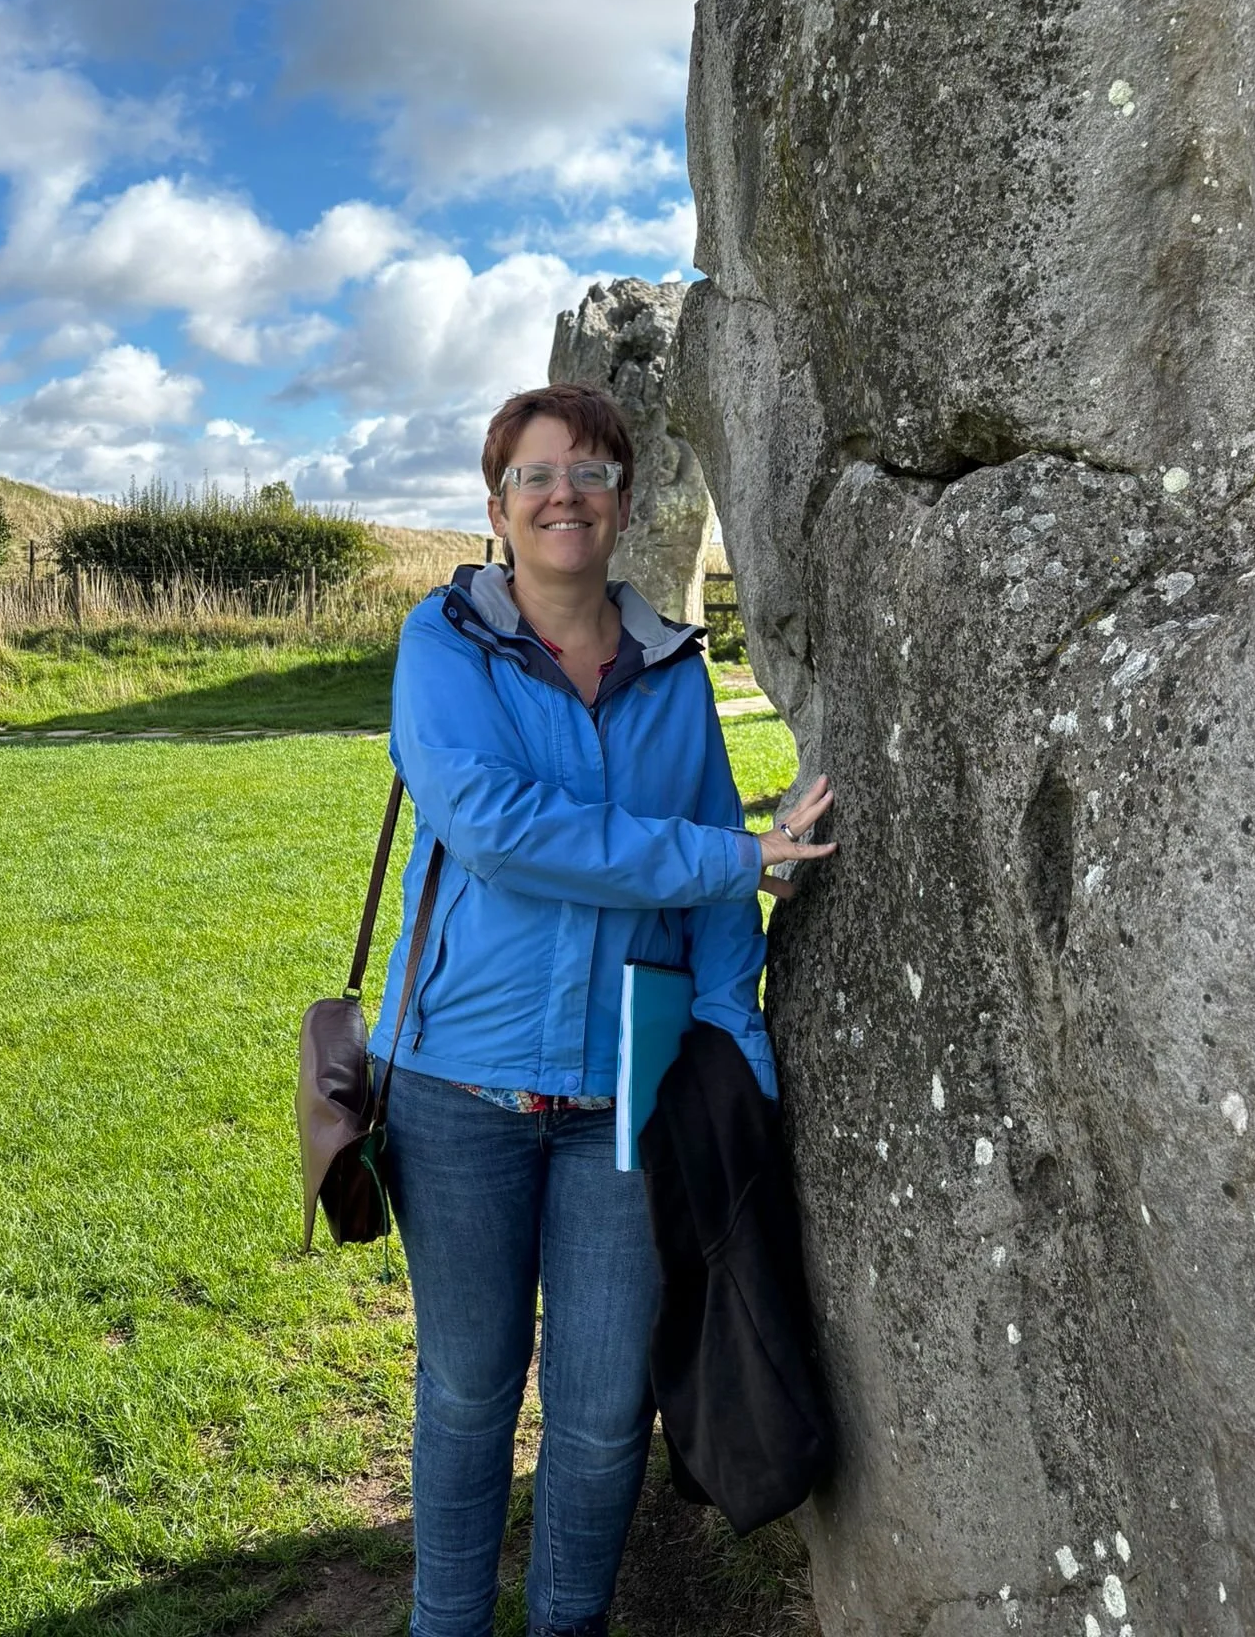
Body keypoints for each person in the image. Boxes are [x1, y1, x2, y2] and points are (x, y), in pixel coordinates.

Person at [372, 382, 836, 1637]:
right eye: (535, 473)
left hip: (624, 1091)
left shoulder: (674, 668)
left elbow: (714, 869)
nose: (563, 492)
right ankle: (445, 1625)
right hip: (455, 1083)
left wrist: (735, 1049)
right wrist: (735, 858)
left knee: (595, 1411)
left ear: (626, 500)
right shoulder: (442, 644)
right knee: (468, 1390)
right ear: (496, 505)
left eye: (590, 469)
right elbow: (502, 831)